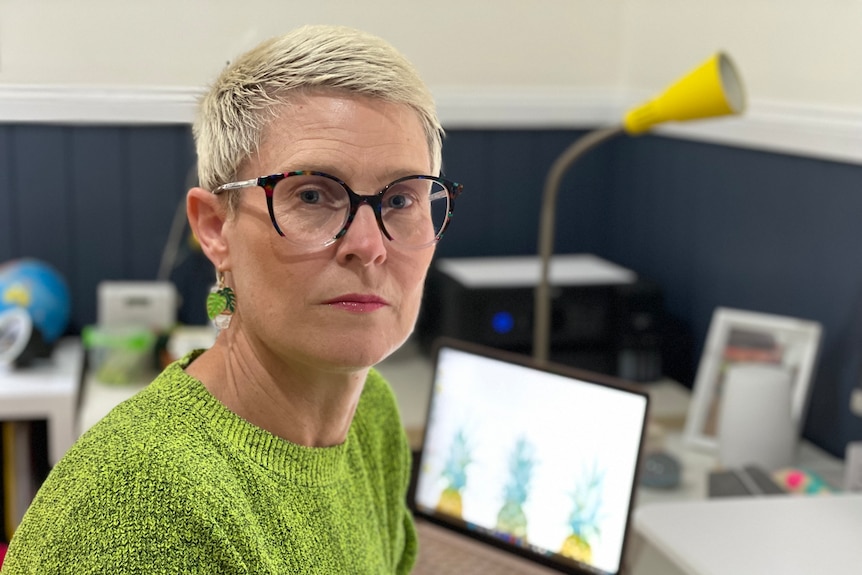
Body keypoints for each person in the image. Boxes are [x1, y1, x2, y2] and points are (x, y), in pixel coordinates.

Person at [1, 24, 463, 574]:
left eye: (402, 198)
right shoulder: (134, 511)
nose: (368, 246)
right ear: (216, 228)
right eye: (312, 194)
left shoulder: (373, 415)